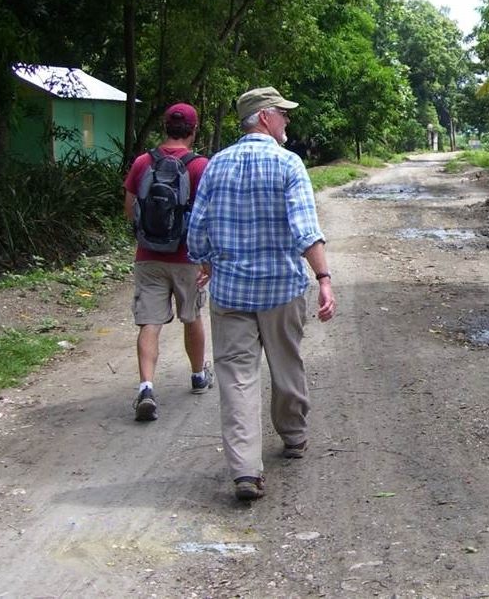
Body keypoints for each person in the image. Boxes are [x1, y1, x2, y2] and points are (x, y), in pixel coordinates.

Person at [188, 86, 335, 501]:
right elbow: (305, 229)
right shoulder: (289, 165)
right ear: (266, 117)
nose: (288, 121)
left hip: (231, 292)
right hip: (281, 289)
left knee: (235, 377)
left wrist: (205, 261)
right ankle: (293, 436)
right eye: (283, 114)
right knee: (287, 364)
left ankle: (245, 471)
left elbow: (196, 229)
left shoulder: (215, 165)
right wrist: (323, 277)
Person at [123, 103, 213, 421]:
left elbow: (130, 207)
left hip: (148, 257)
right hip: (187, 257)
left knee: (150, 321)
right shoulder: (200, 166)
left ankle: (146, 386)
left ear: (164, 126)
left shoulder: (143, 162)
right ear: (194, 129)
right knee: (192, 316)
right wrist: (207, 258)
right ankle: (198, 375)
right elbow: (206, 215)